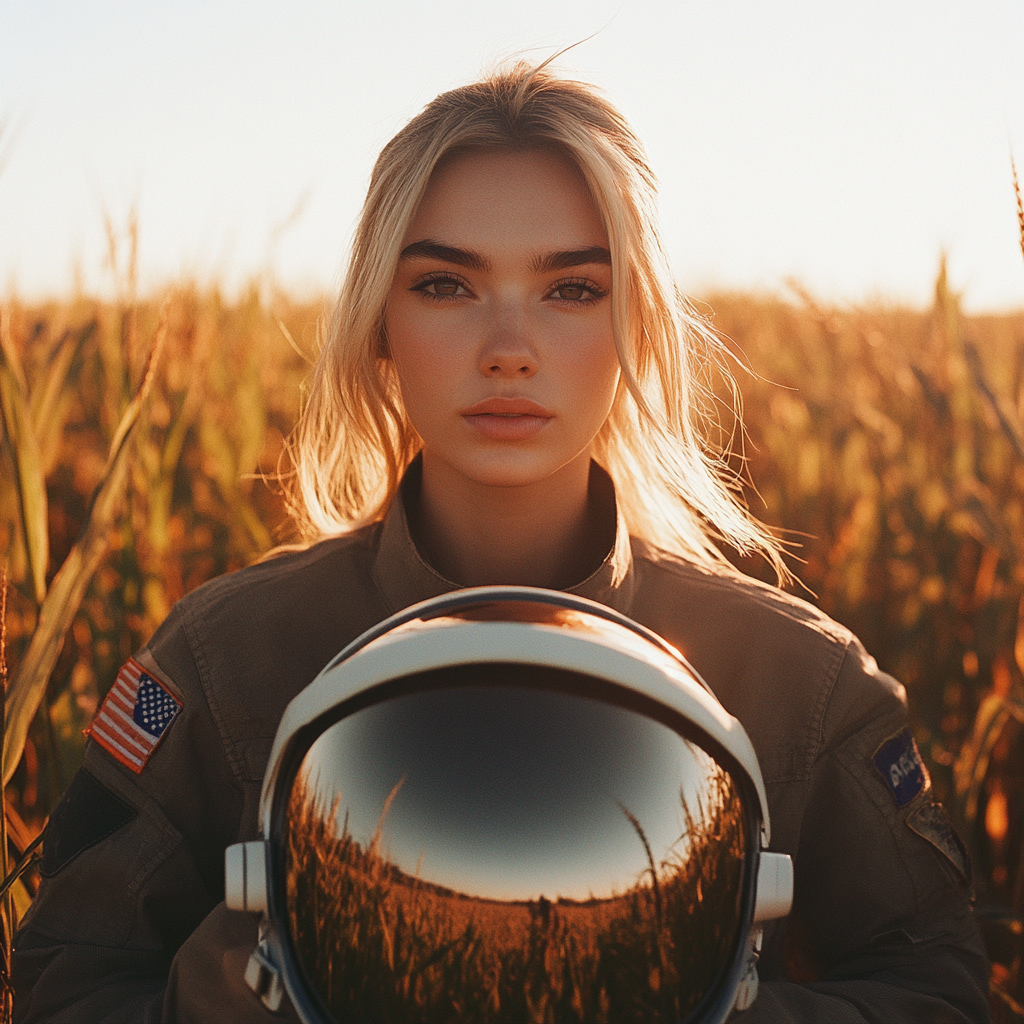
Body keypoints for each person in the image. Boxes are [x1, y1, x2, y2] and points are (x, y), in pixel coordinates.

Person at [13, 60, 989, 1023]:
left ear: (639, 325)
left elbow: (939, 986)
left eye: (571, 290)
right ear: (378, 324)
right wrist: (223, 994)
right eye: (445, 283)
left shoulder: (804, 684)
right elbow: (68, 972)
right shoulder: (218, 660)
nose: (507, 346)